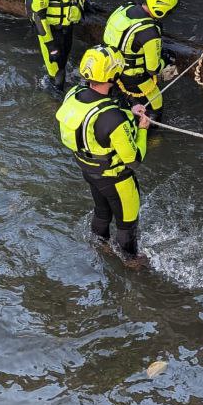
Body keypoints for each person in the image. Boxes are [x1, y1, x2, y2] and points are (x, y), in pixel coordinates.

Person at [55, 45, 152, 267]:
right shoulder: (113, 118)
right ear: (113, 74)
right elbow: (134, 160)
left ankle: (100, 245)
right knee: (127, 224)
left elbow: (99, 114)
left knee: (102, 212)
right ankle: (131, 261)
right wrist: (143, 129)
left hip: (89, 171)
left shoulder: (74, 93)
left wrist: (129, 112)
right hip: (117, 178)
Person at [101, 0, 178, 120]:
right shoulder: (150, 32)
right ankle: (151, 133)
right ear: (160, 10)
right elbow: (153, 69)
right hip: (132, 76)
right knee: (156, 104)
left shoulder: (125, 8)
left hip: (110, 66)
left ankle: (127, 103)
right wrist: (165, 59)